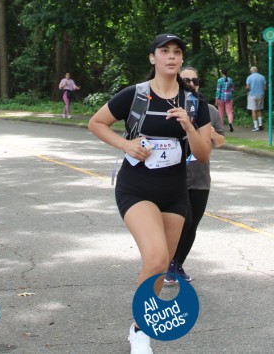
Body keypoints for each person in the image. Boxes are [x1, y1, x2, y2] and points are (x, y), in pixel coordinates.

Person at [87, 34, 213, 354]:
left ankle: (138, 327)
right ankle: (142, 334)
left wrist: (188, 126)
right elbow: (96, 123)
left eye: (177, 52)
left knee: (159, 266)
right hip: (136, 187)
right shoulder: (135, 95)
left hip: (175, 192)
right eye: (164, 51)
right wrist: (127, 145)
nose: (171, 56)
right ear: (152, 58)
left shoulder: (194, 102)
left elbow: (202, 154)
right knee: (156, 258)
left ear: (181, 59)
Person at [165, 66, 225, 285]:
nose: (191, 84)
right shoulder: (169, 108)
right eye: (186, 80)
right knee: (183, 221)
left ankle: (178, 264)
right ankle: (168, 263)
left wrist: (212, 134)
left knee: (192, 225)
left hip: (200, 177)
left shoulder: (210, 110)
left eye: (195, 80)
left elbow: (220, 141)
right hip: (175, 176)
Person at [245, 65, 267, 131]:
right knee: (259, 109)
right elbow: (265, 88)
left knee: (253, 110)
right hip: (260, 95)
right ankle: (260, 124)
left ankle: (256, 126)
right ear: (257, 70)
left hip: (252, 95)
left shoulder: (249, 77)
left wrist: (247, 91)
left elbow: (247, 87)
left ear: (251, 71)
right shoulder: (262, 77)